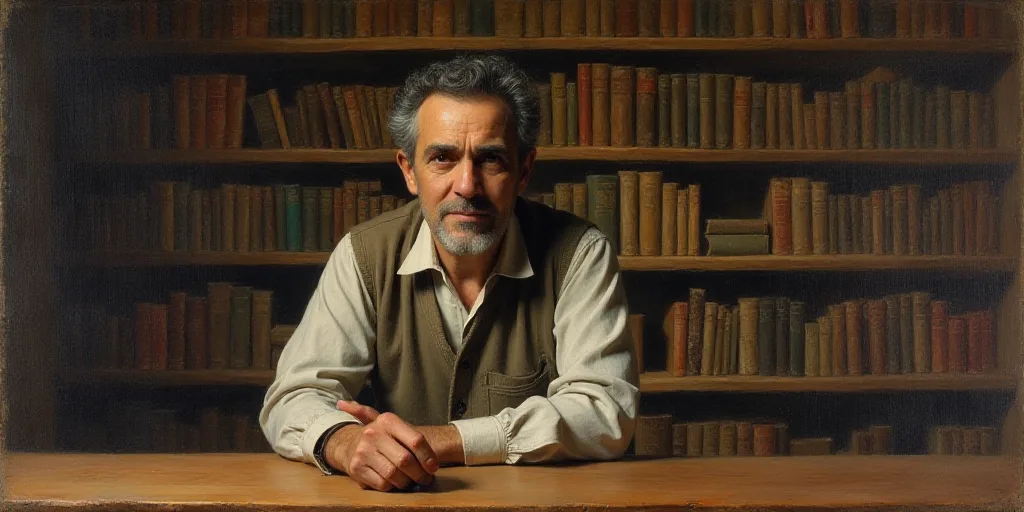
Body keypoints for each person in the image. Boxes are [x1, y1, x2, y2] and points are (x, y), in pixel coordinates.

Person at [259, 54, 638, 492]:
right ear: (409, 171)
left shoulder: (579, 254)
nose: (467, 185)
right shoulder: (363, 255)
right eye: (442, 157)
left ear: (523, 171)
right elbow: (292, 397)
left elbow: (606, 410)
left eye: (491, 159)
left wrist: (445, 441)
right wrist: (345, 442)